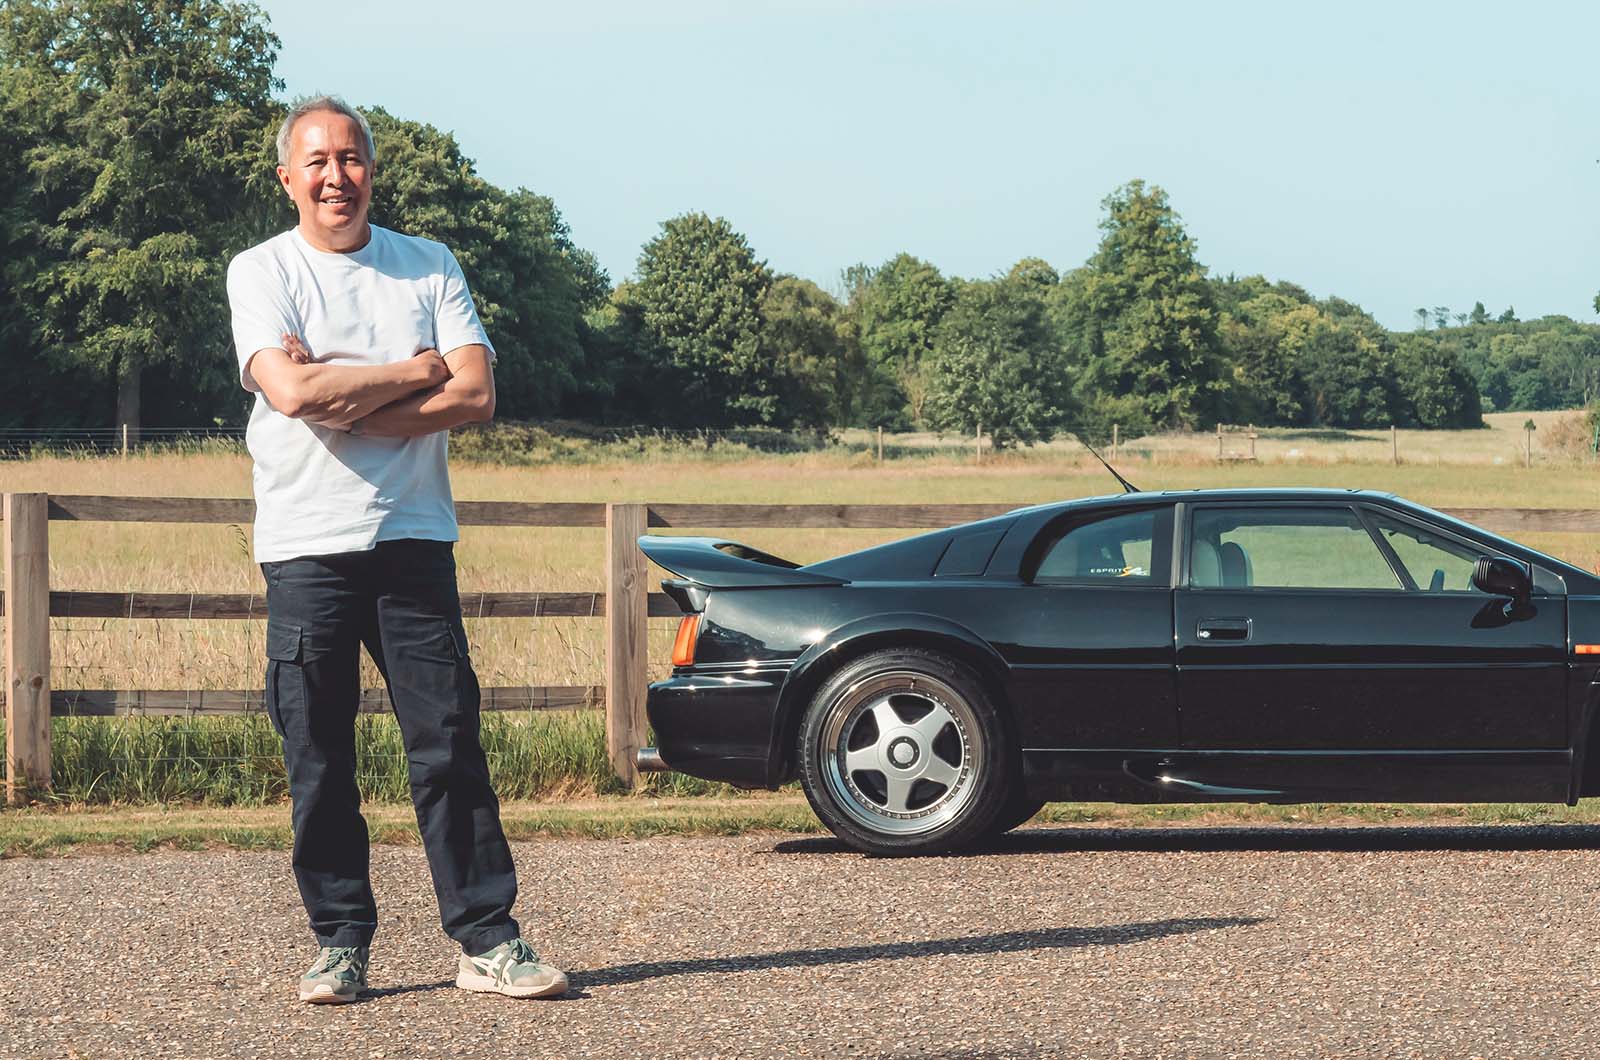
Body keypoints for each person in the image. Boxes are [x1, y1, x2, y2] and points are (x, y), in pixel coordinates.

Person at [225, 95, 567, 1004]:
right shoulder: (260, 271)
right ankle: (340, 942)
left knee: (449, 741)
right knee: (319, 757)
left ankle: (488, 941)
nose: (337, 176)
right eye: (318, 162)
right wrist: (416, 370)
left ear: (372, 169)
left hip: (414, 539)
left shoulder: (429, 265)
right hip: (307, 547)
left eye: (352, 158)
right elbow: (292, 393)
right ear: (288, 178)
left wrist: (347, 391)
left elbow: (477, 396)